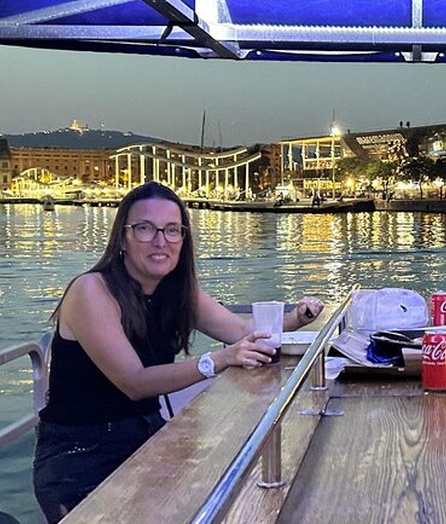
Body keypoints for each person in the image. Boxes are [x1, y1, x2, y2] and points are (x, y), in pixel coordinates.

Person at [32, 181, 324, 523]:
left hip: (147, 436)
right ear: (122, 238)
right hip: (80, 455)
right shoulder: (92, 290)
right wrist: (219, 359)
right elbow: (134, 382)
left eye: (172, 230)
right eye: (145, 229)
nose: (161, 241)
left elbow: (242, 332)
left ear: (183, 239)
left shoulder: (177, 289)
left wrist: (296, 318)